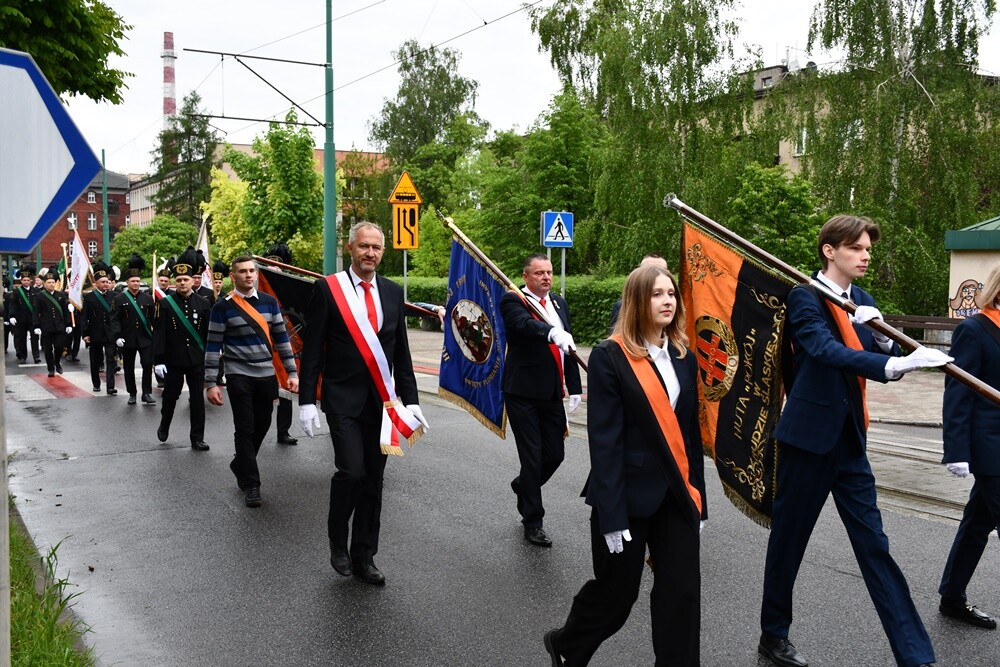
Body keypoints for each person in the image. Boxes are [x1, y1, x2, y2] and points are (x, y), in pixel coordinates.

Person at [758, 215, 951, 667]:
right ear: (830, 250)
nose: (866, 256)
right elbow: (826, 352)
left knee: (874, 545)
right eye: (857, 248)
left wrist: (888, 344)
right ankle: (773, 635)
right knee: (789, 542)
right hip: (807, 442)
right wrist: (890, 365)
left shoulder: (861, 299)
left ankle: (914, 654)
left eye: (868, 249)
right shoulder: (804, 297)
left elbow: (879, 348)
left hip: (850, 444)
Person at [544, 265, 706, 667]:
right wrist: (613, 514)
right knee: (618, 595)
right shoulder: (609, 356)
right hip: (626, 495)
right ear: (637, 301)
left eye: (672, 294)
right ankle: (567, 644)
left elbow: (689, 434)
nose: (668, 300)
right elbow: (606, 440)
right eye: (657, 294)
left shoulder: (684, 356)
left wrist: (699, 498)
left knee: (682, 592)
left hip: (676, 494)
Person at [298, 221, 429, 586]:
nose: (370, 253)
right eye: (364, 247)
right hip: (342, 399)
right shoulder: (329, 290)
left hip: (383, 403)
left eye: (376, 248)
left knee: (374, 480)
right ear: (350, 248)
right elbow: (312, 350)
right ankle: (337, 542)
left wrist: (412, 400)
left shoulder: (392, 291)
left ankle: (365, 555)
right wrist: (307, 400)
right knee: (351, 472)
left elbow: (400, 353)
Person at [501, 253, 582, 547]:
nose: (546, 277)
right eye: (539, 273)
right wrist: (550, 331)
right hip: (522, 392)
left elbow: (568, 346)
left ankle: (523, 485)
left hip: (551, 393)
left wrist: (575, 387)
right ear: (526, 276)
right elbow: (523, 325)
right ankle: (533, 520)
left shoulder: (559, 303)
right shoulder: (513, 300)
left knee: (555, 455)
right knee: (533, 457)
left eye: (548, 272)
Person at [205, 255, 299, 508]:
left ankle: (240, 464)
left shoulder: (270, 303)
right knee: (245, 427)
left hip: (266, 374)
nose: (248, 275)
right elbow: (213, 346)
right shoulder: (222, 307)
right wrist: (210, 382)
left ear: (257, 274)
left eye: (252, 271)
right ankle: (252, 484)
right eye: (243, 272)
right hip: (238, 376)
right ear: (233, 276)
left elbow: (282, 340)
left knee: (264, 423)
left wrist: (291, 373)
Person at [937, 261, 1000, 630]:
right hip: (989, 443)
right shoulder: (975, 329)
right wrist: (956, 450)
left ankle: (952, 596)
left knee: (979, 522)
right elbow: (958, 391)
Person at [153, 247, 211, 451]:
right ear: (174, 282)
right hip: (173, 360)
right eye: (178, 280)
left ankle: (197, 438)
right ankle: (164, 423)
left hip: (196, 359)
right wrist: (158, 360)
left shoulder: (203, 303)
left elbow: (206, 333)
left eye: (186, 280)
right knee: (170, 396)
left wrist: (211, 356)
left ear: (193, 280)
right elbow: (159, 333)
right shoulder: (166, 304)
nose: (182, 283)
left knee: (197, 400)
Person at [264, 243, 298, 445]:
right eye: (271, 264)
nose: (275, 269)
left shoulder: (288, 289)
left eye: (279, 265)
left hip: (285, 343)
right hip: (263, 347)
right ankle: (259, 429)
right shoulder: (259, 287)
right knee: (263, 394)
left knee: (286, 388)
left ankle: (283, 431)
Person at [116, 254, 156, 406]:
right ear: (127, 282)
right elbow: (115, 320)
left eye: (138, 281)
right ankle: (132, 393)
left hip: (145, 338)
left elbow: (153, 319)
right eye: (133, 281)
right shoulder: (120, 299)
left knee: (147, 364)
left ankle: (146, 392)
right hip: (128, 338)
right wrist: (117, 336)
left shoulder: (147, 298)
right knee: (128, 367)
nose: (136, 284)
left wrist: (155, 335)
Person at [80, 261, 121, 394]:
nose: (106, 284)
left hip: (110, 334)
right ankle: (96, 383)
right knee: (95, 360)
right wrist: (85, 334)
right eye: (103, 282)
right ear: (96, 283)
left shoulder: (115, 296)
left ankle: (110, 386)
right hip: (95, 333)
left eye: (107, 281)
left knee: (110, 360)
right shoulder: (90, 297)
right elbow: (84, 316)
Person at [31, 267, 72, 377]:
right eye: (49, 282)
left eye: (53, 282)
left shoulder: (61, 295)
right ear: (45, 284)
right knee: (48, 349)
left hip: (59, 326)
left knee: (59, 347)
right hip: (46, 327)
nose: (51, 284)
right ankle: (50, 368)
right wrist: (36, 326)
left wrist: (68, 324)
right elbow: (36, 312)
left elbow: (65, 311)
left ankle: (57, 362)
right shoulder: (39, 296)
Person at [609, 253, 668, 329]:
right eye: (649, 270)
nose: (656, 274)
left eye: (662, 270)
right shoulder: (622, 306)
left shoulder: (676, 304)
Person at [10, 266, 41, 364]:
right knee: (22, 338)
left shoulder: (36, 291)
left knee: (35, 338)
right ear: (21, 281)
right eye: (24, 280)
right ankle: (23, 356)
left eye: (28, 280)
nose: (26, 282)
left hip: (33, 319)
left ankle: (36, 356)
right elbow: (13, 304)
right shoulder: (17, 292)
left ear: (31, 281)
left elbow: (39, 305)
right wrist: (12, 316)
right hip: (21, 318)